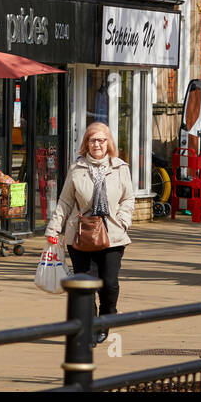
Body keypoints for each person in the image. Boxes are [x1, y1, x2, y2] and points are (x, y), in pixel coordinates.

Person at [44, 122, 134, 345]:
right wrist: (54, 229)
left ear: (108, 143)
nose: (97, 144)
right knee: (86, 284)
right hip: (80, 235)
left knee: (110, 283)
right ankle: (90, 328)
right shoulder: (77, 169)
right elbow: (65, 201)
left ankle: (106, 318)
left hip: (112, 235)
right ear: (86, 143)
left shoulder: (120, 168)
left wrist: (123, 221)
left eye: (101, 140)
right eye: (93, 140)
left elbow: (128, 198)